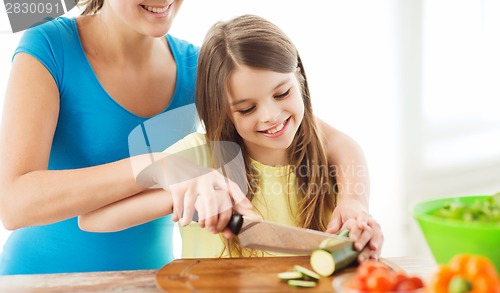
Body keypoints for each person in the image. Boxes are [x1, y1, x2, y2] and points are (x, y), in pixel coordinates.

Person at [79, 14, 383, 260]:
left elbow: (346, 146)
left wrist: (356, 205)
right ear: (222, 111)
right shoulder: (201, 156)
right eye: (247, 108)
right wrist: (182, 195)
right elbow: (92, 219)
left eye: (282, 93)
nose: (271, 116)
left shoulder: (323, 153)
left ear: (300, 78)